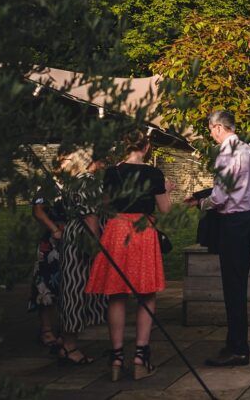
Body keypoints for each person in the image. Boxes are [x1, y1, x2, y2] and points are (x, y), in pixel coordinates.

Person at [86, 130, 172, 382]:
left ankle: (116, 358)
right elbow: (165, 208)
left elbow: (105, 204)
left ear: (126, 146)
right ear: (146, 148)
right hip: (142, 231)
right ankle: (140, 358)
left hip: (116, 229)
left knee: (116, 293)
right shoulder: (154, 173)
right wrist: (166, 189)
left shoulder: (112, 172)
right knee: (146, 293)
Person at [194, 109, 250, 368]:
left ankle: (238, 348)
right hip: (249, 218)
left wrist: (201, 202)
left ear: (218, 128)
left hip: (233, 222)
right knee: (238, 283)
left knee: (233, 287)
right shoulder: (248, 150)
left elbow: (220, 197)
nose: (211, 134)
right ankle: (235, 342)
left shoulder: (226, 153)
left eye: (211, 129)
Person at [54, 149, 109, 366]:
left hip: (73, 234)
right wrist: (96, 244)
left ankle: (64, 340)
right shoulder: (88, 181)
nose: (105, 164)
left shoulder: (77, 180)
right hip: (82, 239)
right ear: (94, 161)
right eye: (103, 160)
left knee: (72, 288)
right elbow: (90, 215)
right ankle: (69, 346)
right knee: (75, 290)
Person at [27, 158, 67, 353]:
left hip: (70, 241)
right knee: (46, 287)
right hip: (51, 243)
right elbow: (38, 210)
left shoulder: (76, 184)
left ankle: (64, 328)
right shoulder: (50, 185)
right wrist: (54, 229)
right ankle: (46, 330)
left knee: (66, 285)